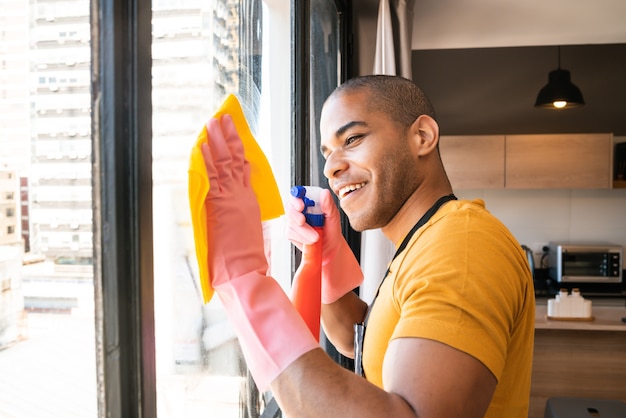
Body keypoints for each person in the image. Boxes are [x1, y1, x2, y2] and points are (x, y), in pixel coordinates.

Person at [201, 74, 535, 418]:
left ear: (422, 137)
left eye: (353, 138)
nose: (331, 167)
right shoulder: (424, 241)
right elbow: (359, 342)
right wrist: (323, 257)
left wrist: (244, 283)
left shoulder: (462, 244)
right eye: (328, 153)